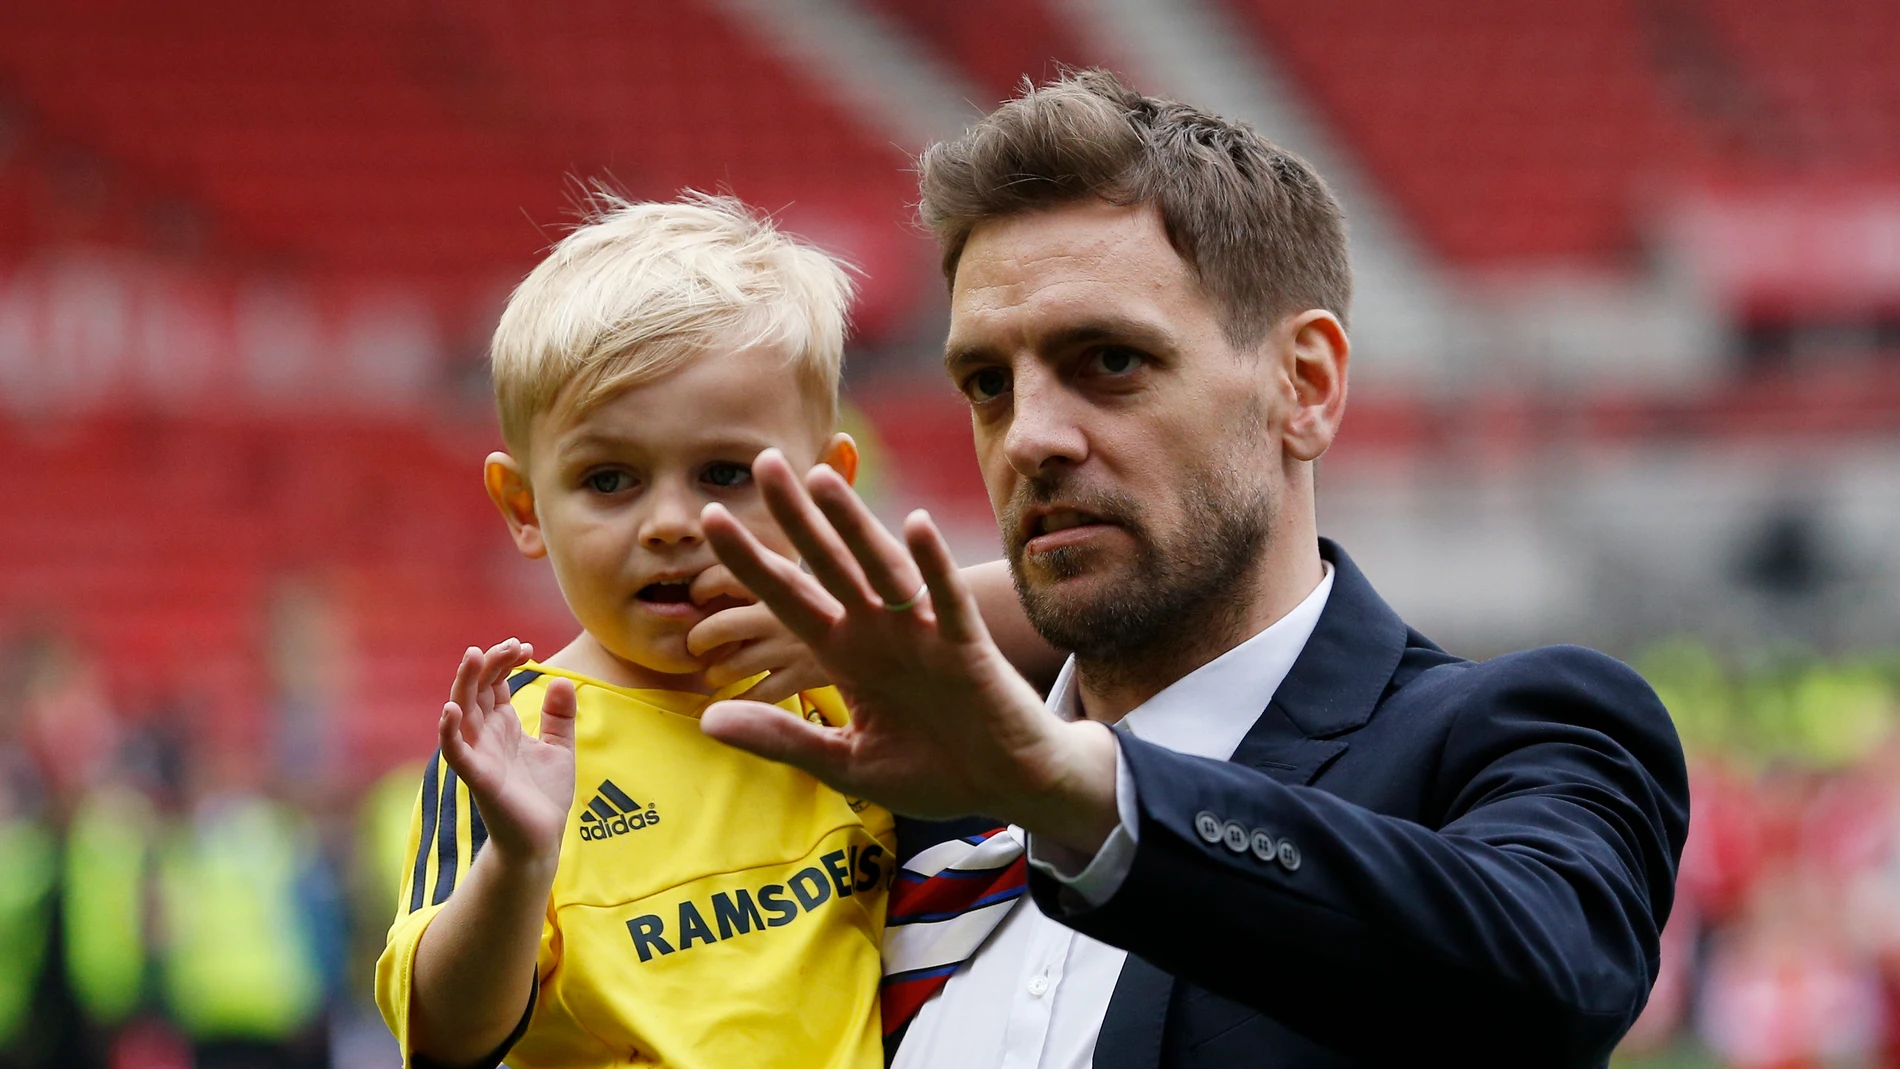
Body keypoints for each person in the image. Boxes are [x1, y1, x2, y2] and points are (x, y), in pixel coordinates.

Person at [694, 70, 1692, 1067]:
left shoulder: (1501, 735)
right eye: (987, 383)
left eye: (1110, 361)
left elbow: (1554, 975)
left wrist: (1087, 794)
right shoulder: (903, 781)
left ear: (1304, 385)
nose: (1028, 437)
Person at [372, 194, 1037, 1069]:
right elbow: (442, 1035)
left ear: (826, 484)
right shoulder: (522, 743)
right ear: (524, 507)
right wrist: (519, 866)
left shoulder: (861, 689)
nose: (672, 522)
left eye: (723, 472)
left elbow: (1088, 625)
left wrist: (875, 627)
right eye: (610, 479)